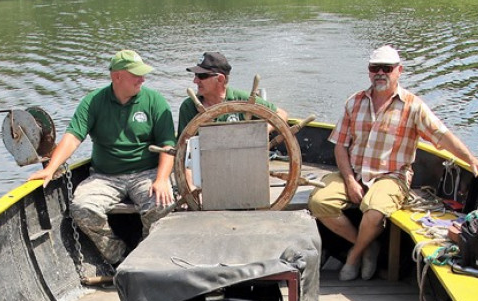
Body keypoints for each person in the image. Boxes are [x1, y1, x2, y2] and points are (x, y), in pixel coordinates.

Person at [309, 45, 478, 281]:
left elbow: (442, 136)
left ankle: (354, 255)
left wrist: (470, 159)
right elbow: (340, 146)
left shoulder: (413, 106)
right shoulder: (354, 102)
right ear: (369, 71)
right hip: (354, 172)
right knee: (319, 201)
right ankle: (368, 247)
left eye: (387, 68)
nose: (381, 73)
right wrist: (349, 180)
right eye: (375, 68)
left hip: (391, 176)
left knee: (374, 212)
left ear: (399, 70)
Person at [30, 49, 177, 267]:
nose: (142, 79)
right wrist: (51, 168)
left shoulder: (155, 101)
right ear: (117, 76)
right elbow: (72, 138)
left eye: (143, 74)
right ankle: (119, 256)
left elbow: (168, 145)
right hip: (105, 176)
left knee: (162, 205)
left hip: (146, 172)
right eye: (136, 74)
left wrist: (162, 178)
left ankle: (146, 256)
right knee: (81, 208)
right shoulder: (93, 102)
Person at [176, 51, 289, 137]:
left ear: (220, 79)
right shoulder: (189, 107)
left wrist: (262, 132)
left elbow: (281, 114)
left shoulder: (242, 99)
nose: (195, 81)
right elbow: (184, 149)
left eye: (201, 76)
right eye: (195, 75)